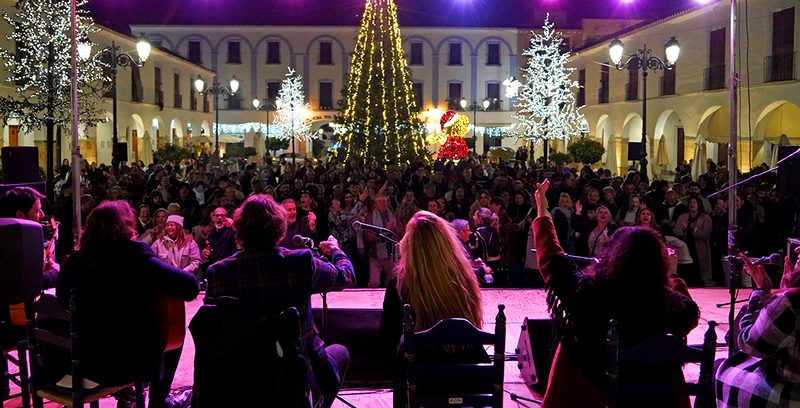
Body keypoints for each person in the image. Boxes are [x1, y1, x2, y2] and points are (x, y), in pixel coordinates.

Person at [531, 179, 699, 408]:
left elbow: (552, 260)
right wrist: (672, 276)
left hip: (592, 397)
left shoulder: (588, 293)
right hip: (656, 402)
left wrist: (542, 211)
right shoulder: (668, 304)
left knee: (574, 338)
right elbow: (688, 309)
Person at [206, 195, 355, 408]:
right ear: (279, 228)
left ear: (239, 229)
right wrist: (335, 250)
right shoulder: (300, 262)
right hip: (295, 371)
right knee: (340, 353)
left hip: (244, 376)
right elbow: (347, 276)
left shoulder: (218, 273)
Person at [55, 201, 199, 408]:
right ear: (126, 227)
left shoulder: (76, 260)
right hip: (117, 366)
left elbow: (61, 300)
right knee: (172, 331)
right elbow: (190, 287)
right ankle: (159, 402)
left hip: (76, 361)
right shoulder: (134, 254)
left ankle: (130, 395)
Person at [377, 211, 486, 406]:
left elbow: (385, 343)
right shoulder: (466, 280)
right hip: (469, 382)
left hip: (423, 385)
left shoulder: (400, 286)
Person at [716, 248, 800, 407]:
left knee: (720, 368)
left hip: (789, 397)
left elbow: (750, 343)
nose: (797, 249)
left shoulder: (793, 302)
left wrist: (761, 292)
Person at [364, 195, 405, 288]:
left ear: (388, 203)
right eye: (380, 201)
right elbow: (368, 236)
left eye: (384, 201)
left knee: (391, 283)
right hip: (376, 255)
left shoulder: (393, 215)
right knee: (374, 282)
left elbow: (402, 232)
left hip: (392, 255)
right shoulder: (370, 216)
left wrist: (393, 228)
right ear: (375, 204)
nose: (382, 203)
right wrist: (384, 232)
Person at [673, 196, 713, 287]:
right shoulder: (683, 216)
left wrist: (695, 230)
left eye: (694, 202)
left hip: (700, 247)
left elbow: (706, 234)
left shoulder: (705, 218)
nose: (692, 204)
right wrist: (683, 229)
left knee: (700, 269)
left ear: (698, 204)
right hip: (687, 245)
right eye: (690, 202)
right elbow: (676, 231)